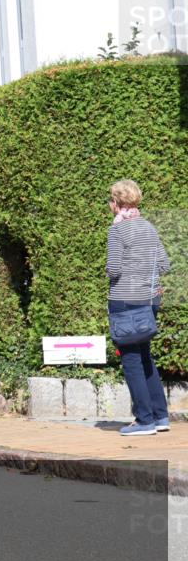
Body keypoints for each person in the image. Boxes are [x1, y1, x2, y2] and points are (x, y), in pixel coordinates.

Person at [106, 179, 171, 436]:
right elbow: (164, 265)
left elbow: (113, 268)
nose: (110, 205)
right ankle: (160, 416)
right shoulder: (149, 227)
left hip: (125, 300)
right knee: (145, 356)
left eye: (111, 200)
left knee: (132, 360)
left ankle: (144, 421)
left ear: (118, 203)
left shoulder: (118, 231)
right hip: (149, 299)